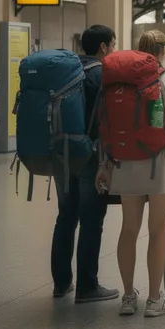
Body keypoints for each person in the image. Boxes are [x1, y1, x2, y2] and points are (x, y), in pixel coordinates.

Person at [97, 29, 165, 318]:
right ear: (164, 50)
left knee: (129, 229)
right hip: (161, 161)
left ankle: (128, 297)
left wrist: (105, 164)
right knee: (157, 230)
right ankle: (155, 300)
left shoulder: (119, 82)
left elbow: (107, 125)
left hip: (125, 159)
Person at [50, 25, 119, 304]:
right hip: (91, 156)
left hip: (62, 154)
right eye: (112, 45)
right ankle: (87, 287)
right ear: (103, 47)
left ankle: (61, 283)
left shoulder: (64, 72)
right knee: (91, 220)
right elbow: (108, 119)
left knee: (66, 217)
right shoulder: (102, 75)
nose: (113, 49)